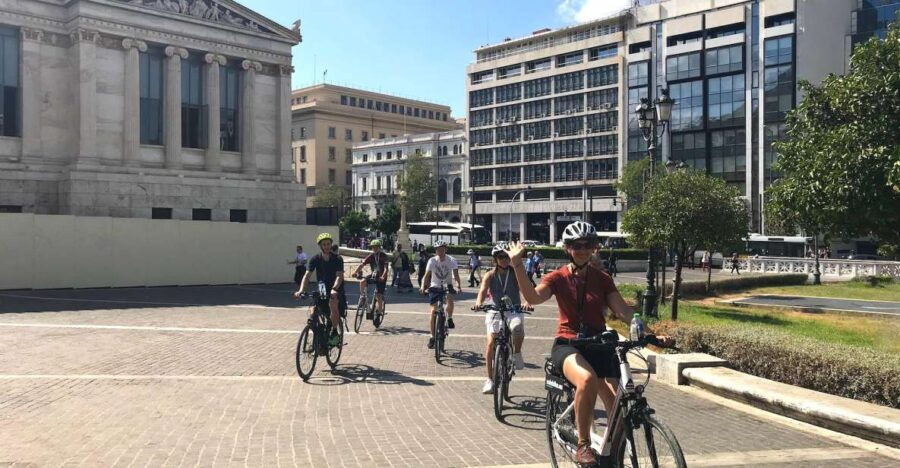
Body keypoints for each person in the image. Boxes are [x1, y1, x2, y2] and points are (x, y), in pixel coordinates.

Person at [504, 222, 672, 466]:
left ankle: (610, 451)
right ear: (567, 248)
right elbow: (532, 297)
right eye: (575, 245)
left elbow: (624, 312)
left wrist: (653, 335)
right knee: (587, 379)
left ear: (594, 248)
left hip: (598, 343)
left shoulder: (602, 279)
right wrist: (517, 263)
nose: (582, 250)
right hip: (568, 344)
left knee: (618, 402)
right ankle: (583, 445)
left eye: (588, 245)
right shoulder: (558, 277)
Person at [476, 242, 527, 394]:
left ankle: (517, 353)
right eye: (500, 257)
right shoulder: (490, 275)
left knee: (517, 328)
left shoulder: (515, 272)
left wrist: (527, 302)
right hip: (495, 310)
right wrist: (479, 303)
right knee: (491, 343)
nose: (504, 259)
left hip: (513, 309)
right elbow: (483, 291)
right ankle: (490, 380)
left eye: (506, 256)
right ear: (495, 259)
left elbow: (526, 288)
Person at [294, 233, 345, 346]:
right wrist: (301, 290)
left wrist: (334, 289)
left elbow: (339, 276)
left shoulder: (337, 259)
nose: (326, 246)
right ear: (320, 246)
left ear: (331, 245)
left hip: (335, 287)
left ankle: (334, 332)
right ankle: (315, 329)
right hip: (322, 287)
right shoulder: (315, 259)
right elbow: (307, 276)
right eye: (324, 244)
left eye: (328, 244)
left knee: (332, 304)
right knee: (314, 308)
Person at [420, 240, 462, 349]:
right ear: (436, 251)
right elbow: (426, 275)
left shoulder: (451, 260)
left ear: (446, 250)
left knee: (450, 299)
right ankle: (432, 336)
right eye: (438, 249)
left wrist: (458, 285)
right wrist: (422, 287)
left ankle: (449, 318)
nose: (440, 251)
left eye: (442, 249)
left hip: (447, 285)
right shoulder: (432, 260)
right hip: (434, 286)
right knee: (433, 311)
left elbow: (456, 275)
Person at [352, 239, 388, 318]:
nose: (374, 249)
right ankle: (362, 297)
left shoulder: (383, 256)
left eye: (376, 247)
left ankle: (380, 310)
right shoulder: (371, 256)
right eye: (373, 247)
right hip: (374, 275)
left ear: (379, 247)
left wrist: (383, 276)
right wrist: (355, 272)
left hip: (381, 277)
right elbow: (362, 265)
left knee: (379, 295)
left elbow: (385, 268)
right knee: (362, 282)